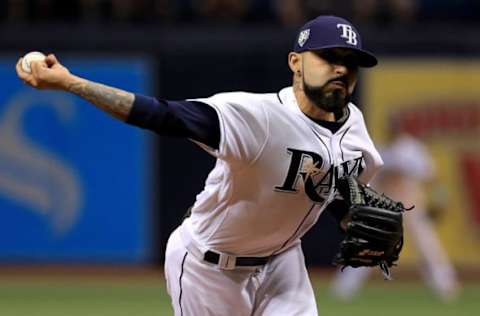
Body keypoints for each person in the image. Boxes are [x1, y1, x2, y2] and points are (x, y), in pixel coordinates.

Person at [16, 15, 383, 316]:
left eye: (350, 62)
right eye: (328, 57)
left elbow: (333, 190)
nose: (340, 69)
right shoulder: (258, 118)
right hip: (208, 268)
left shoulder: (356, 131)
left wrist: (351, 219)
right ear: (296, 62)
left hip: (283, 265)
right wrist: (69, 82)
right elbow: (162, 115)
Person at [330, 127, 460, 302]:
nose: (394, 130)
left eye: (396, 126)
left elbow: (431, 177)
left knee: (428, 247)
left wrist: (438, 201)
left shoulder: (413, 149)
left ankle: (446, 286)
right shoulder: (382, 149)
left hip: (411, 205)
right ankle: (343, 289)